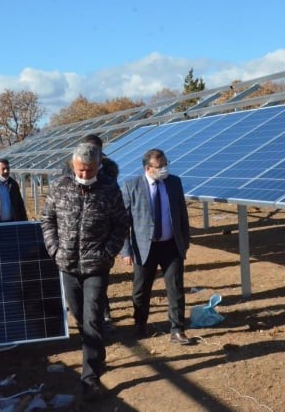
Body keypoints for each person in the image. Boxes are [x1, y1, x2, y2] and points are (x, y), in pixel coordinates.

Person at [40, 143, 129, 401]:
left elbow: (121, 224)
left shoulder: (109, 190)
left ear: (98, 166)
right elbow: (47, 219)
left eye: (90, 170)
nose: (85, 174)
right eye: (80, 169)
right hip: (67, 264)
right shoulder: (60, 186)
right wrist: (54, 249)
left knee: (92, 318)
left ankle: (89, 378)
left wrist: (108, 252)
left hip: (96, 266)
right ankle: (97, 353)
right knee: (79, 315)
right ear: (73, 164)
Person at [120, 148, 192, 345]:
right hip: (145, 247)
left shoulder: (174, 183)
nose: (164, 169)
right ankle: (140, 324)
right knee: (141, 289)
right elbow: (122, 223)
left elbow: (182, 214)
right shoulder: (131, 186)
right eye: (160, 167)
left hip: (171, 245)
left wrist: (184, 242)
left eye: (166, 165)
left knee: (176, 287)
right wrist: (126, 250)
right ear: (147, 168)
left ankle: (177, 329)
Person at [80, 133, 119, 330]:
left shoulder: (109, 172)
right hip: (78, 237)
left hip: (101, 237)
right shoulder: (71, 167)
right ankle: (86, 321)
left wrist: (111, 246)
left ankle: (104, 315)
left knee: (99, 281)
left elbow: (117, 211)